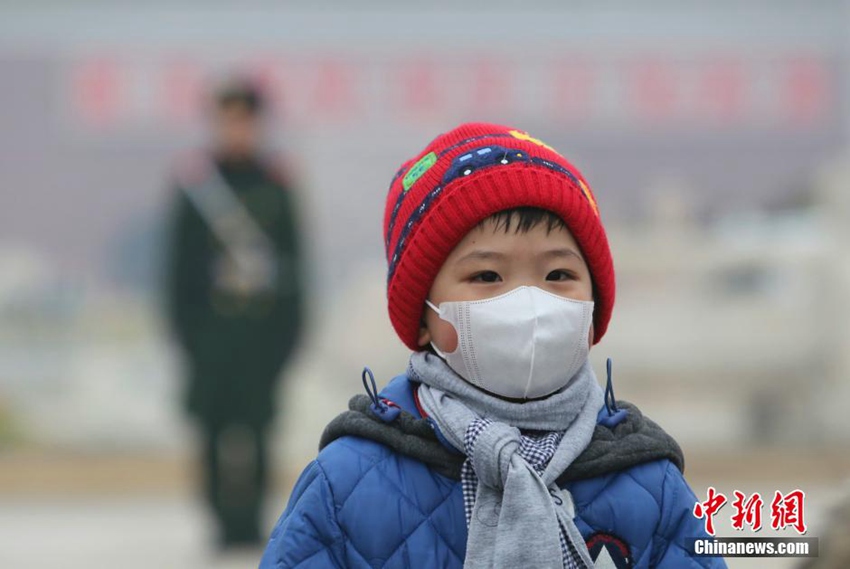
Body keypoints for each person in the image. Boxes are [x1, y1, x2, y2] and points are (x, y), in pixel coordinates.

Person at [259, 122, 724, 568]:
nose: (529, 302)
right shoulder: (349, 481)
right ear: (423, 315)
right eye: (487, 276)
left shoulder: (648, 480)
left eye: (558, 275)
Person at [164, 78, 304, 549]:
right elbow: (178, 271)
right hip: (211, 336)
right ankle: (220, 524)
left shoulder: (278, 184)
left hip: (260, 335)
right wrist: (187, 337)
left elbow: (295, 268)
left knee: (259, 432)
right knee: (211, 432)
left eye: (245, 120)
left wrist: (289, 337)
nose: (237, 129)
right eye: (228, 120)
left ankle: (251, 525)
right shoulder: (195, 186)